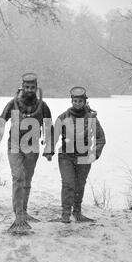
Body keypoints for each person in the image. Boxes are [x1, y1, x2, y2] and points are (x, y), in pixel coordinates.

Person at [0, 73, 54, 233]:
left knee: (27, 180)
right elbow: (1, 120)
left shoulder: (43, 106)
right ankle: (18, 217)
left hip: (32, 148)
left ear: (36, 87)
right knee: (18, 177)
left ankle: (24, 212)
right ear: (22, 87)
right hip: (15, 146)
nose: (29, 90)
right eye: (27, 87)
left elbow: (48, 127)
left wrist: (49, 148)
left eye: (32, 87)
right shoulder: (13, 103)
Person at [51, 86, 106, 223]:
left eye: (80, 101)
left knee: (80, 184)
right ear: (71, 101)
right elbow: (54, 136)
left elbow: (101, 138)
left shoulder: (91, 118)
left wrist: (95, 153)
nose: (77, 103)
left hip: (84, 156)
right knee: (68, 183)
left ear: (84, 102)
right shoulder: (63, 117)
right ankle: (65, 214)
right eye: (75, 101)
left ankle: (77, 212)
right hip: (66, 156)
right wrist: (49, 149)